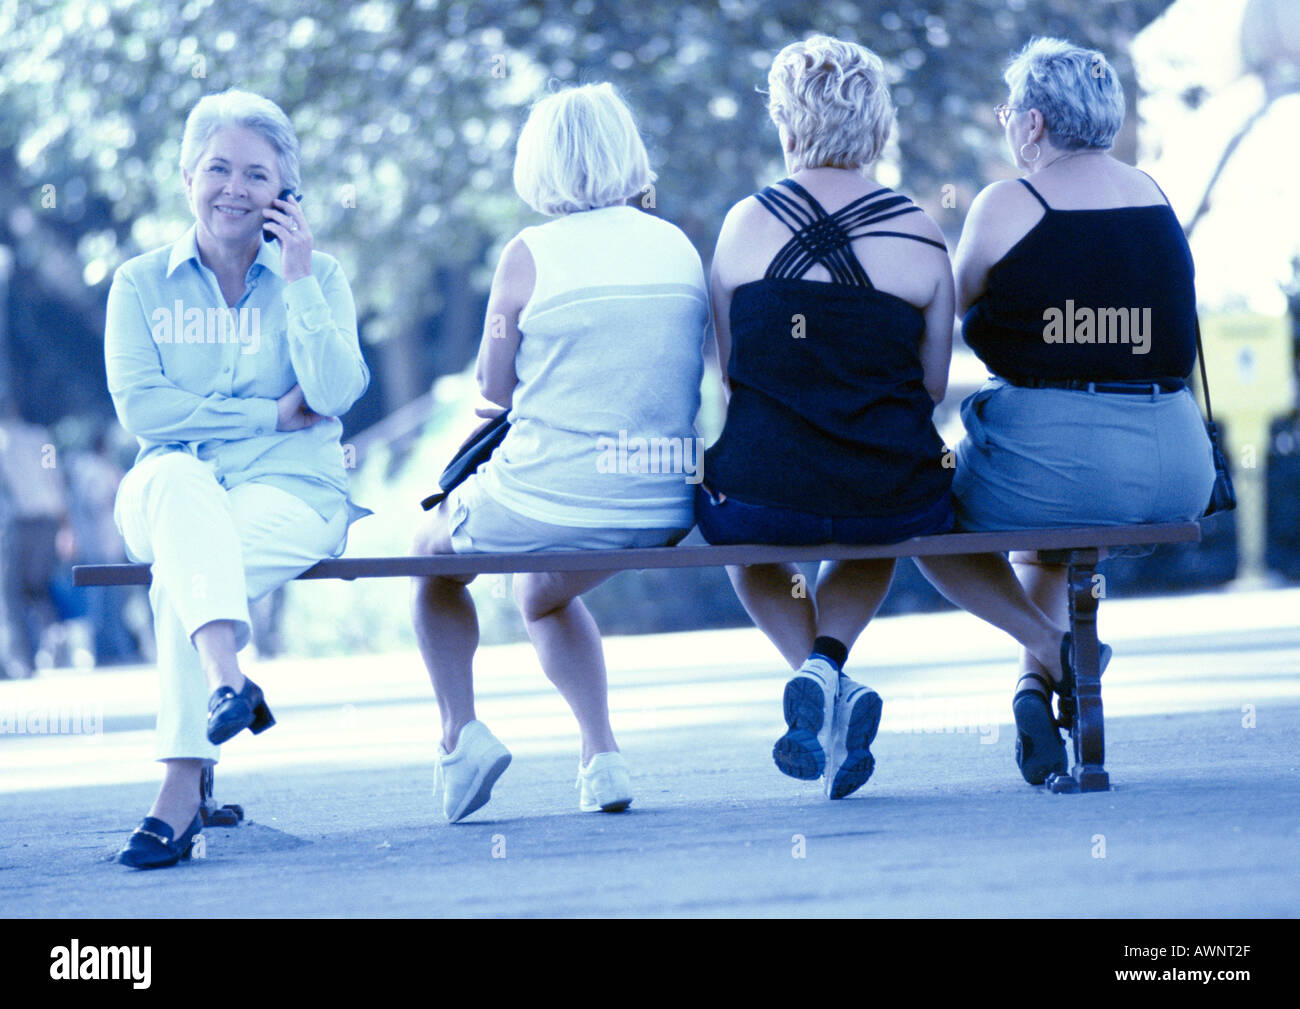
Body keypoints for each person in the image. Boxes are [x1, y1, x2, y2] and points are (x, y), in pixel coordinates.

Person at [697, 35, 1065, 801]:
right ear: (877, 126)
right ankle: (827, 662)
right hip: (890, 485)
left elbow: (734, 376)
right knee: (883, 513)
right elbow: (930, 385)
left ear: (788, 125)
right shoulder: (922, 234)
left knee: (749, 542)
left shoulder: (740, 227)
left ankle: (825, 675)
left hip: (764, 486)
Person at [913, 37, 1215, 784]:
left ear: (1035, 125)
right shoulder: (1154, 194)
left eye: (1010, 112)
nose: (1006, 124)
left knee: (915, 515)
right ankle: (1032, 691)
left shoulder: (1008, 203)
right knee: (1051, 541)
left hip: (1070, 459)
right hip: (1180, 461)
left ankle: (1050, 647)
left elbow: (938, 314)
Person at [411, 83, 708, 822]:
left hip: (550, 493)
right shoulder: (675, 245)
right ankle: (601, 754)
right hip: (664, 496)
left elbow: (493, 385)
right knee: (541, 594)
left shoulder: (527, 255)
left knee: (428, 558)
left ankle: (459, 735)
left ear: (539, 163)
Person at [104, 89, 369, 867]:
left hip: (291, 494)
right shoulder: (138, 285)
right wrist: (263, 415)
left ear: (286, 193)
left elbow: (334, 393)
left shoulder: (317, 275)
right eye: (217, 168)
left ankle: (178, 793)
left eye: (256, 174)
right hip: (166, 485)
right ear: (188, 177)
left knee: (180, 580)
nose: (234, 188)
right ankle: (228, 681)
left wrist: (298, 279)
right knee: (183, 488)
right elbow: (145, 411)